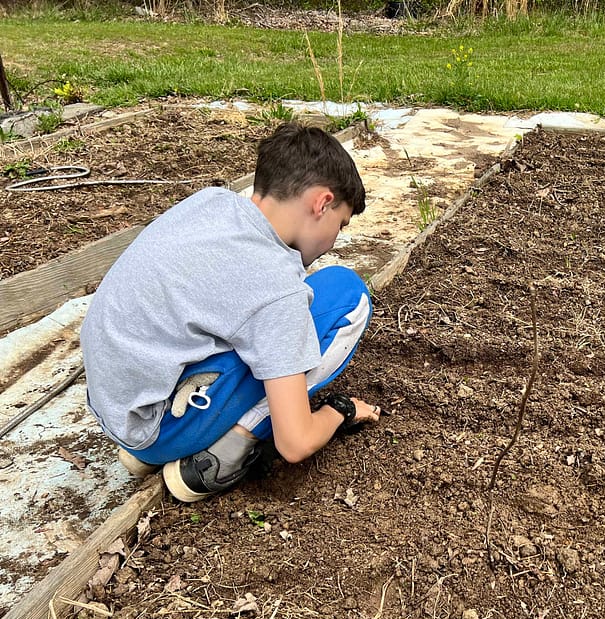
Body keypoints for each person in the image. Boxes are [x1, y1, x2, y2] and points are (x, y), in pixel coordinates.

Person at [80, 122, 380, 504]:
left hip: (117, 408)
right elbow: (296, 444)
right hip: (157, 430)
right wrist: (341, 411)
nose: (334, 239)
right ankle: (225, 449)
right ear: (321, 203)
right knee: (346, 294)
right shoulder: (273, 285)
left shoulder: (211, 203)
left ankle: (150, 449)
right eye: (340, 223)